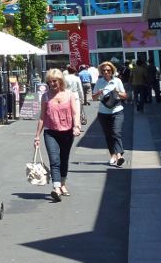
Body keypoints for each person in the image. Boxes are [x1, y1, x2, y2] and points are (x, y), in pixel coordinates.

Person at [34, 69, 81, 202]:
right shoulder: (46, 96)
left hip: (67, 131)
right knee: (54, 160)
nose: (52, 84)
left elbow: (75, 113)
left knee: (64, 158)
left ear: (60, 81)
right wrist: (37, 136)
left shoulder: (70, 94)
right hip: (50, 132)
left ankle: (63, 183)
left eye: (54, 81)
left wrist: (76, 127)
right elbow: (42, 117)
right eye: (49, 82)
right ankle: (56, 188)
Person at [92, 61, 127, 167]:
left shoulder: (117, 81)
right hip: (103, 112)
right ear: (101, 72)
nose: (106, 72)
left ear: (112, 70)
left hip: (117, 111)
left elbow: (125, 96)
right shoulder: (99, 82)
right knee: (108, 135)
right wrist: (98, 93)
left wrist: (117, 92)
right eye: (103, 70)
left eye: (108, 70)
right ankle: (113, 155)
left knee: (116, 132)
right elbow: (93, 98)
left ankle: (119, 156)